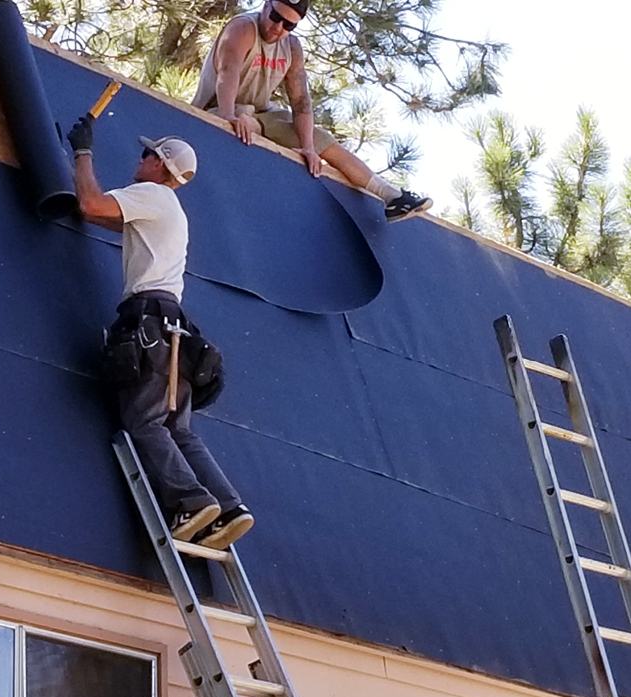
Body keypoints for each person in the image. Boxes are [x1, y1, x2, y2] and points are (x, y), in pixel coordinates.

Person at [66, 116, 254, 549]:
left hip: (148, 321)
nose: (141, 157)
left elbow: (91, 206)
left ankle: (189, 499)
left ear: (160, 166)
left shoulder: (152, 195)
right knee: (178, 428)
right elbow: (108, 217)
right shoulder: (167, 210)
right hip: (173, 331)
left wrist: (82, 153)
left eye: (148, 154)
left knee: (143, 420)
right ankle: (226, 507)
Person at [191, 0, 432, 222]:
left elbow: (300, 101)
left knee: (322, 142)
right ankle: (243, 119)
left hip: (262, 113)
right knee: (245, 118)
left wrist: (307, 147)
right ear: (266, 6)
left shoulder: (292, 48)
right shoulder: (243, 29)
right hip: (220, 108)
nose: (278, 28)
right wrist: (228, 116)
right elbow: (228, 71)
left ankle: (392, 196)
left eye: (288, 25)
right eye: (275, 17)